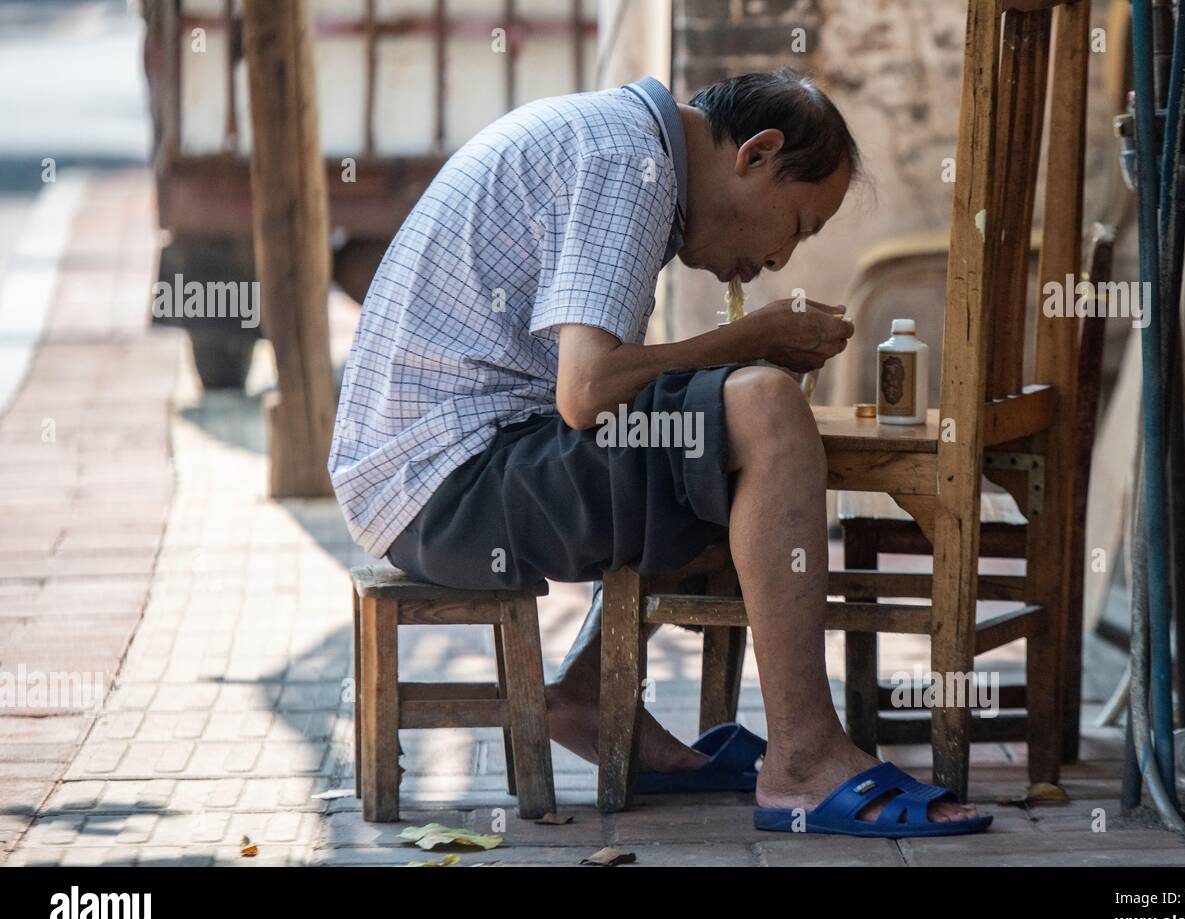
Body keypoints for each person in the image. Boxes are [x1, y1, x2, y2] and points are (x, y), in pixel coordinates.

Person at [330, 68, 988, 836]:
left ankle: (580, 693)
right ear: (757, 156)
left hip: (425, 478)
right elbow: (586, 391)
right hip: (446, 484)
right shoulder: (631, 164)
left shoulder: (621, 143)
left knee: (710, 435)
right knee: (763, 409)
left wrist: (725, 363)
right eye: (799, 224)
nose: (779, 258)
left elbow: (599, 399)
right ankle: (806, 761)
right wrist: (749, 341)